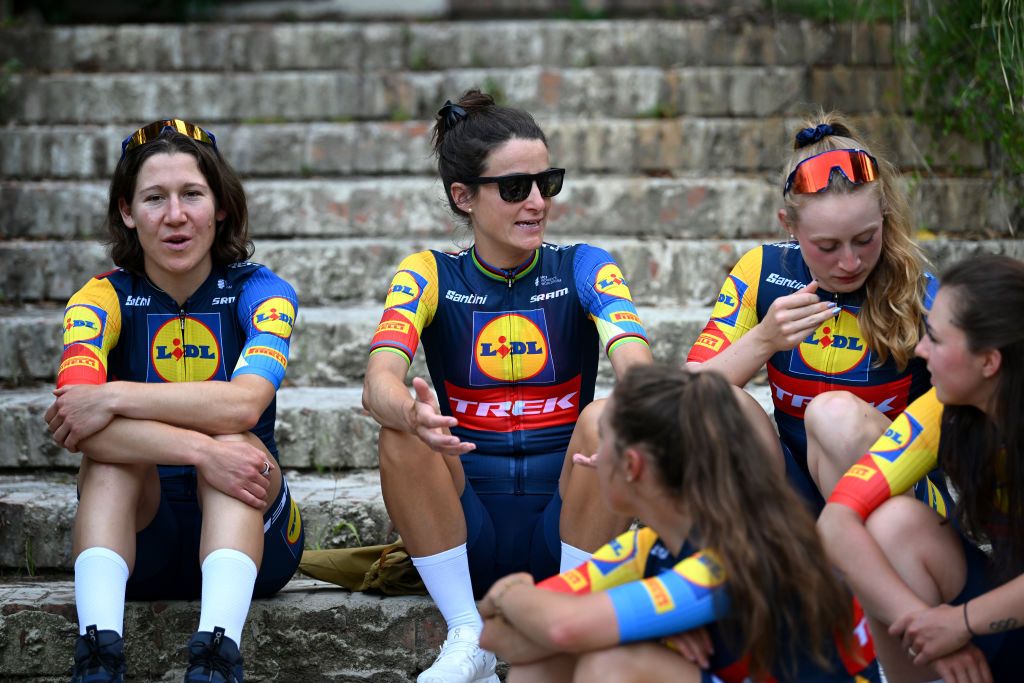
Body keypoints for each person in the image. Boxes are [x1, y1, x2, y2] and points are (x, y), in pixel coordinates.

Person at [361, 90, 655, 683]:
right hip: (467, 527)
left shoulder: (584, 264)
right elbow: (378, 384)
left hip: (567, 520)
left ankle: (568, 611)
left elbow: (636, 363)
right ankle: (469, 633)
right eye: (516, 188)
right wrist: (411, 415)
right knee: (400, 427)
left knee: (612, 415)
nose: (538, 202)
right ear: (463, 197)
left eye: (547, 182)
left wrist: (637, 407)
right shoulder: (428, 273)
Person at [44, 119, 304, 683]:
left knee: (235, 446)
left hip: (257, 539)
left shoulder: (263, 292)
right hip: (142, 543)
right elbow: (76, 421)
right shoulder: (99, 298)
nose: (176, 215)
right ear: (127, 212)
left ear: (222, 207)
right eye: (154, 198)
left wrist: (114, 397)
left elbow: (243, 406)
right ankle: (98, 654)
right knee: (112, 461)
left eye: (192, 194)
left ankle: (217, 657)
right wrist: (199, 449)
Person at [475, 364, 881, 682]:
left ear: (632, 466)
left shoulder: (733, 555)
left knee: (612, 667)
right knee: (543, 665)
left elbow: (563, 627)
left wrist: (508, 592)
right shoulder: (648, 546)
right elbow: (497, 637)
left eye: (604, 441)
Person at [685, 112, 944, 511]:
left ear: (884, 216)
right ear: (788, 224)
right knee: (715, 403)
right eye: (827, 246)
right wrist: (764, 340)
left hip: (900, 501)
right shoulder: (764, 271)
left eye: (865, 239)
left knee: (832, 414)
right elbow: (684, 395)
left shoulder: (919, 291)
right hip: (796, 489)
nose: (850, 262)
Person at [819, 254, 1024, 683]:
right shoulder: (944, 407)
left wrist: (960, 623)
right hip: (993, 614)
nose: (919, 350)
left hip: (986, 616)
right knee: (893, 523)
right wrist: (922, 625)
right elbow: (836, 521)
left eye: (935, 338)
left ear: (989, 361)